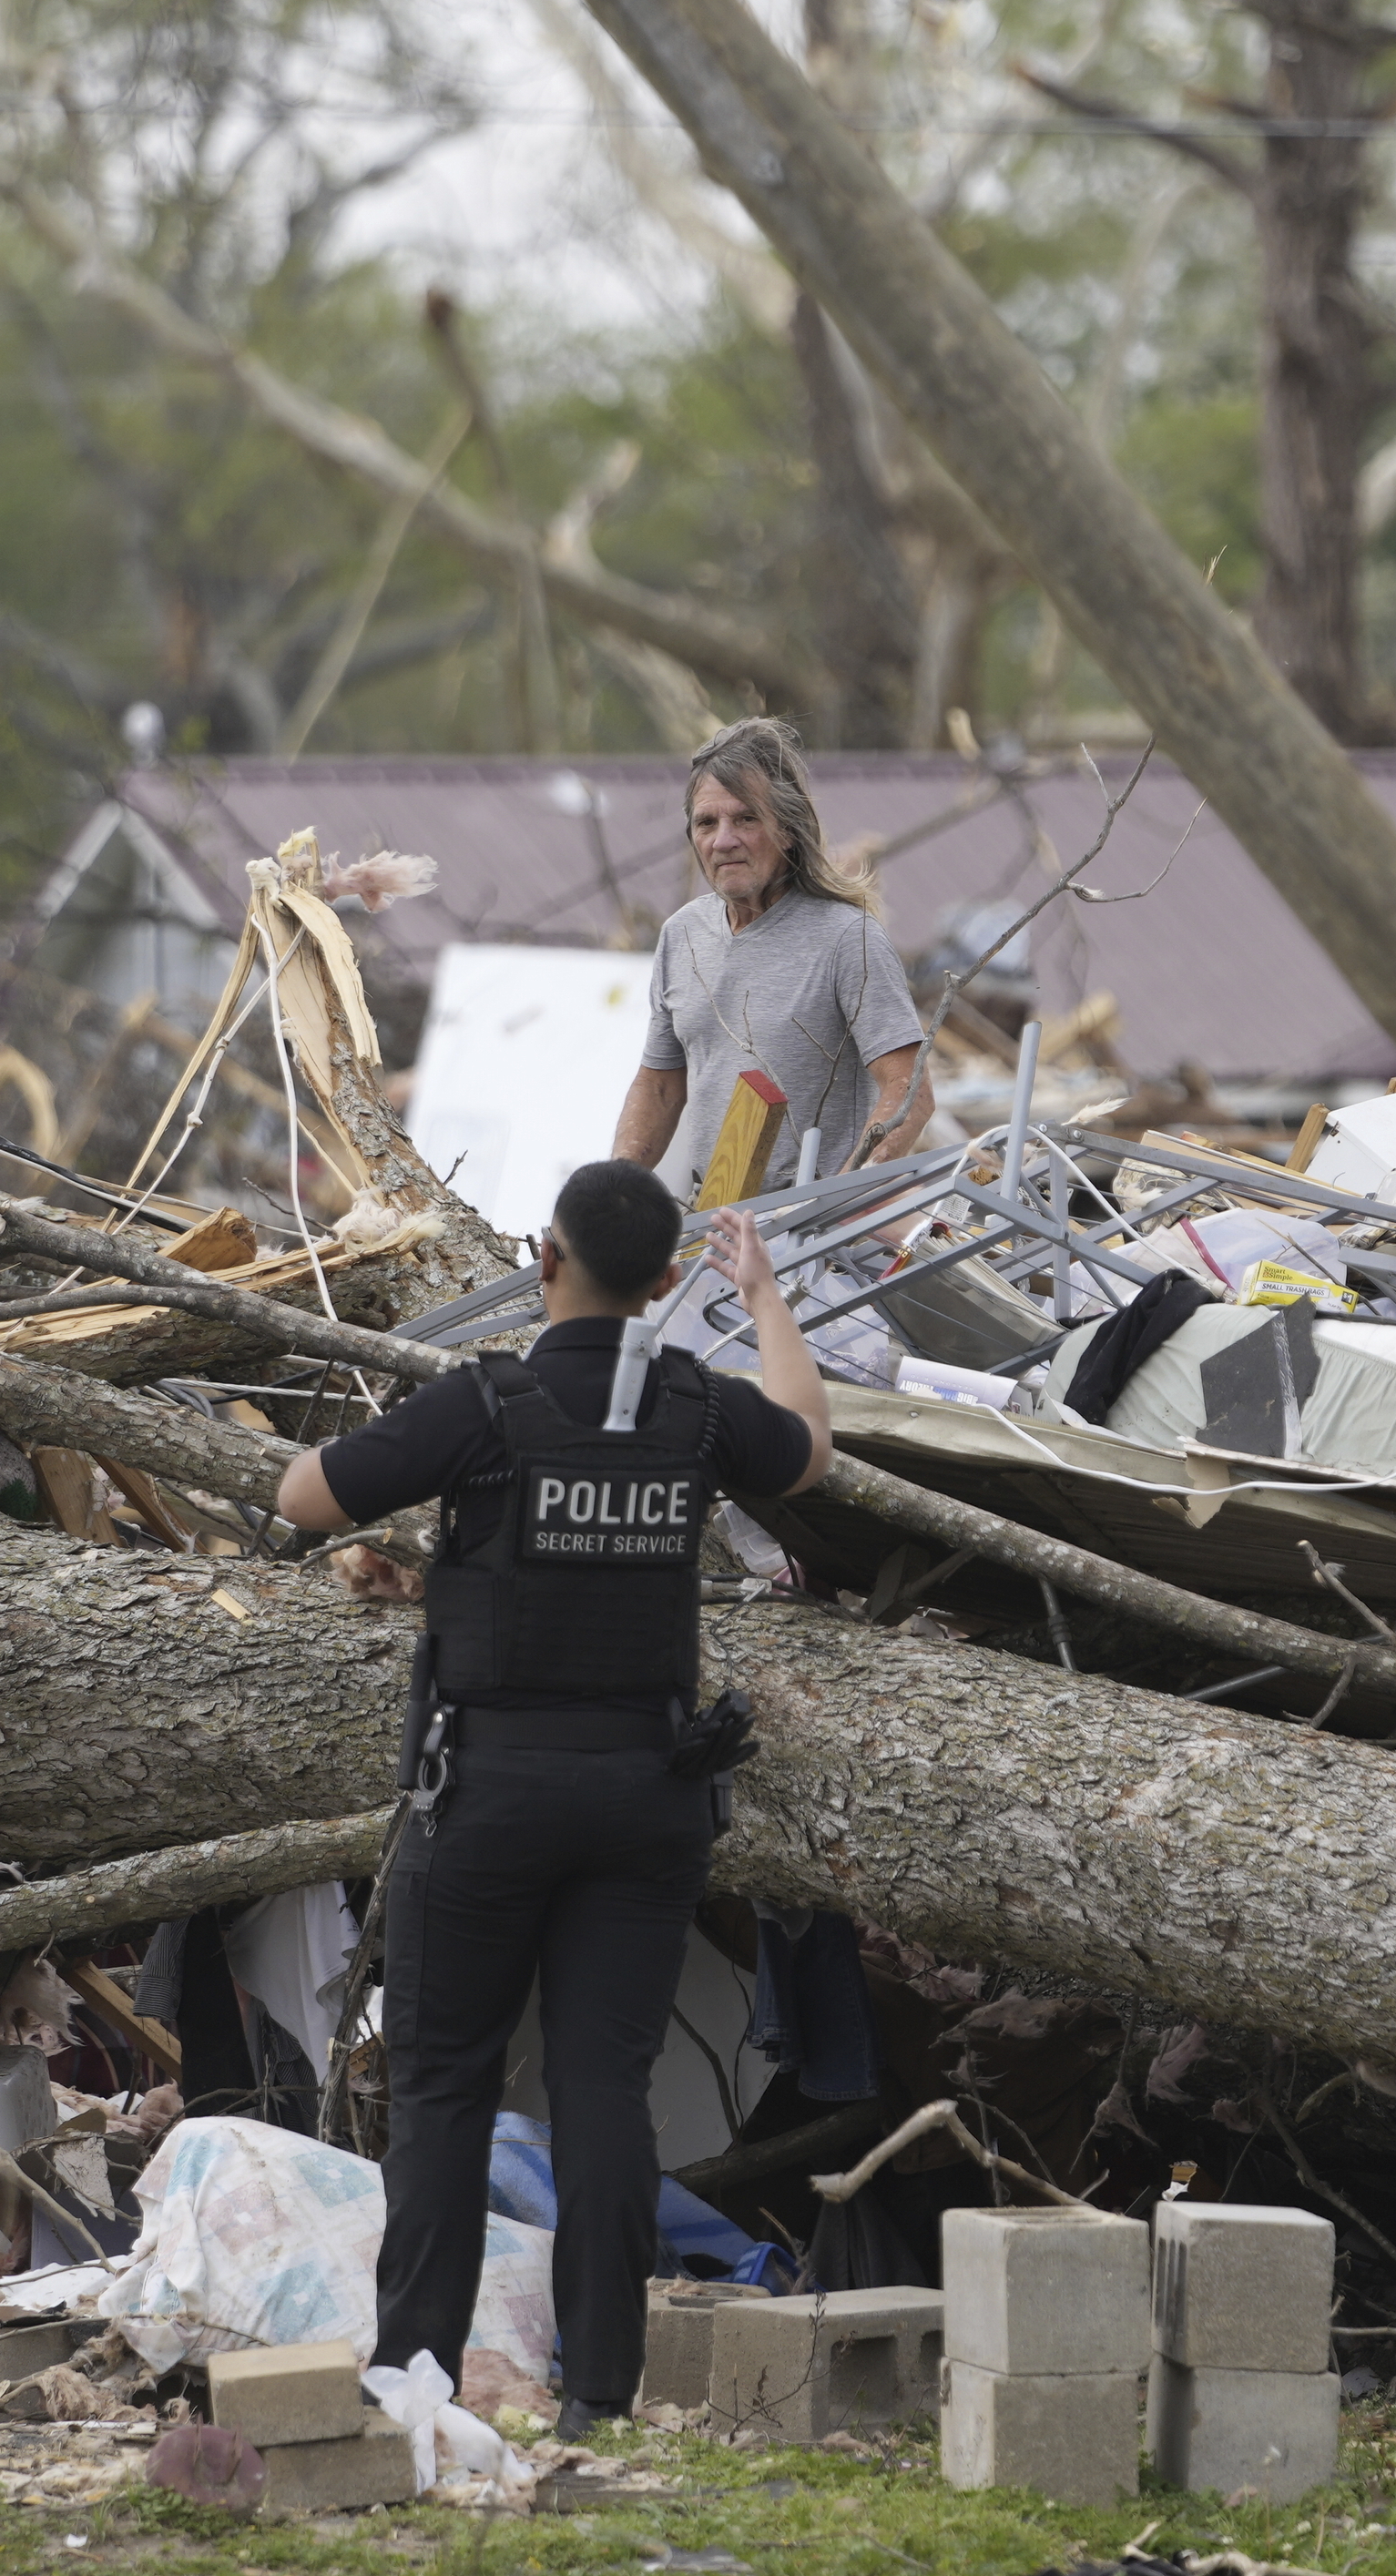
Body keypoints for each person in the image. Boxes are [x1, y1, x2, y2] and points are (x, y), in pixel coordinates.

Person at [273, 1157, 833, 2432]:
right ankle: (601, 2391)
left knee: (446, 2086)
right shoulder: (693, 1407)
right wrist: (763, 1300)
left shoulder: (488, 1401)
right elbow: (807, 1451)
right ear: (660, 1282)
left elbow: (303, 1496)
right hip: (646, 1798)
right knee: (601, 2090)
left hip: (490, 1796)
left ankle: (410, 2374)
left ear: (543, 1257)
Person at [610, 718, 930, 1196]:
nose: (723, 840)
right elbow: (658, 1088)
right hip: (714, 1218)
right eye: (706, 823)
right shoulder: (683, 936)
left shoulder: (848, 939)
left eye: (745, 818)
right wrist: (611, 1195)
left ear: (787, 830)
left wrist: (835, 1204)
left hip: (814, 1239)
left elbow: (910, 1093)